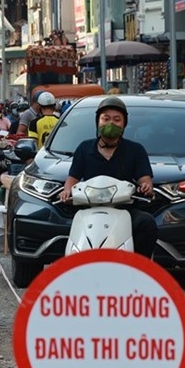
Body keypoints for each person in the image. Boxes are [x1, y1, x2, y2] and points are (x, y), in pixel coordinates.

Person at [58, 96, 157, 258]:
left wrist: (146, 186)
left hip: (124, 209)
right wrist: (67, 191)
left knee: (147, 223)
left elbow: (145, 179)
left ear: (124, 124)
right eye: (106, 119)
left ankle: (140, 268)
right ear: (98, 122)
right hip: (88, 207)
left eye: (117, 119)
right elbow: (73, 178)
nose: (111, 123)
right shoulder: (84, 148)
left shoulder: (135, 150)